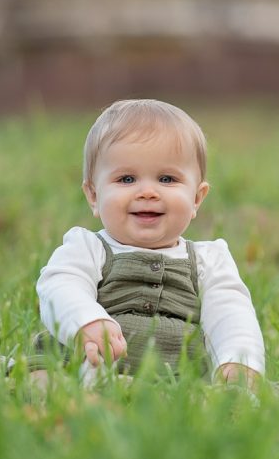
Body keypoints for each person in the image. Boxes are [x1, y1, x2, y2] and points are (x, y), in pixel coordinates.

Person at [35, 99, 264, 388]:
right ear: (94, 195)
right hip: (88, 363)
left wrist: (239, 361)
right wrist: (86, 322)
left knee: (218, 401)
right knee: (41, 382)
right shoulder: (86, 248)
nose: (147, 192)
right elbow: (60, 287)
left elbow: (231, 314)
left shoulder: (209, 259)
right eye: (126, 178)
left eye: (167, 179)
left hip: (178, 375)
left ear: (196, 198)